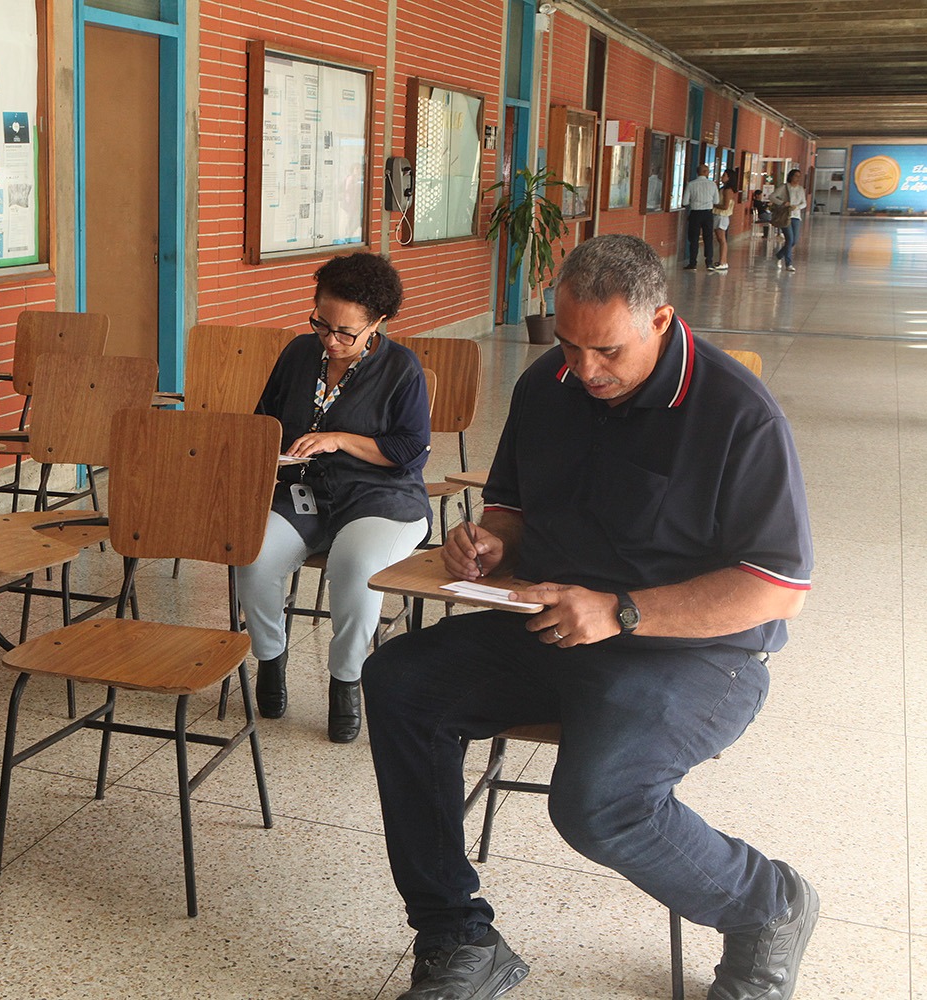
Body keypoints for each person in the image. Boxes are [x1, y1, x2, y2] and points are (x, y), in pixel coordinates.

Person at [362, 234, 817, 1000]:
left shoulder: (738, 414)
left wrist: (621, 611)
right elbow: (511, 507)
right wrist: (488, 543)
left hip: (692, 653)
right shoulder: (550, 385)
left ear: (660, 320)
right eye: (569, 345)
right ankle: (457, 937)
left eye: (606, 350)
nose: (585, 369)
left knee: (596, 804)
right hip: (556, 625)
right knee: (399, 682)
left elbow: (776, 587)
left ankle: (768, 905)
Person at [235, 252, 430, 744]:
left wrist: (339, 439)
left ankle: (345, 681)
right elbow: (265, 419)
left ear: (377, 323)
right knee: (251, 556)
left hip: (379, 497)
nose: (331, 339)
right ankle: (270, 658)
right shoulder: (299, 354)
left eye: (346, 332)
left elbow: (410, 450)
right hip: (304, 492)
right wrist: (270, 454)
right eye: (322, 324)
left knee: (355, 565)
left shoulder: (401, 368)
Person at [681, 163, 720, 270]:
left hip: (695, 213)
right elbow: (716, 201)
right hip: (708, 214)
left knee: (694, 238)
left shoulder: (691, 184)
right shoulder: (712, 185)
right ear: (705, 172)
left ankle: (693, 263)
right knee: (708, 238)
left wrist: (694, 201)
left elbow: (685, 202)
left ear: (697, 172)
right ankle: (709, 262)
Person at [770, 169, 808, 272]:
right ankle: (788, 264)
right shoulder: (784, 188)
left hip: (796, 216)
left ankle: (779, 255)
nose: (798, 178)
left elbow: (804, 203)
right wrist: (783, 203)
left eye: (799, 176)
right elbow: (772, 197)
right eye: (796, 176)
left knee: (794, 240)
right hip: (785, 216)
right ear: (791, 176)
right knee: (789, 239)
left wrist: (798, 207)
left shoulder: (801, 189)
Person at [712, 168, 739, 271]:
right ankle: (722, 261)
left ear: (729, 178)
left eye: (724, 175)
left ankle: (723, 261)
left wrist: (713, 205)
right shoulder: (724, 189)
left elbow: (725, 206)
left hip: (721, 216)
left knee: (722, 239)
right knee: (720, 239)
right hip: (719, 215)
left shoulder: (727, 190)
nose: (722, 177)